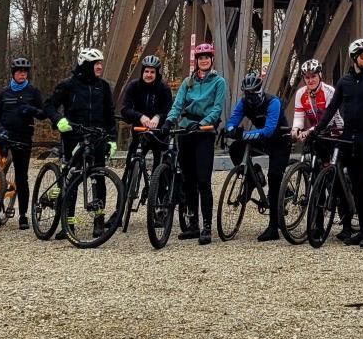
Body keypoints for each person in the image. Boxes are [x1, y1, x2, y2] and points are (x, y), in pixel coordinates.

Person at [312, 38, 363, 249]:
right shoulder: (344, 82)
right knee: (354, 184)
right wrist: (317, 130)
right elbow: (332, 108)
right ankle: (360, 230)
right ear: (354, 58)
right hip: (348, 137)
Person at [44, 46, 118, 238]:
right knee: (72, 178)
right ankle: (68, 223)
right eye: (96, 64)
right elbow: (49, 105)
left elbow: (110, 115)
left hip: (98, 137)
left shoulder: (103, 87)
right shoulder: (68, 85)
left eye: (101, 63)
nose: (100, 67)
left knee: (98, 178)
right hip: (73, 136)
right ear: (85, 65)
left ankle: (99, 221)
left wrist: (112, 139)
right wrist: (58, 120)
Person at [167, 43, 227, 245]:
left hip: (204, 132)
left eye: (207, 58)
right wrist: (169, 120)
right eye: (200, 58)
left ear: (211, 60)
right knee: (188, 180)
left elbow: (217, 108)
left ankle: (207, 227)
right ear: (196, 61)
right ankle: (193, 224)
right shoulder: (188, 82)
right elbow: (178, 104)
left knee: (203, 180)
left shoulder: (218, 82)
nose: (203, 61)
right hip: (186, 129)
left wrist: (202, 123)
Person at [224, 69, 291, 241]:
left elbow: (268, 130)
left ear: (260, 90)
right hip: (262, 140)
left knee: (275, 177)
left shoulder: (272, 102)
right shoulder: (244, 102)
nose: (250, 96)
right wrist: (231, 130)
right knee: (235, 149)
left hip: (279, 140)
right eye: (247, 93)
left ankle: (273, 227)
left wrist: (243, 134)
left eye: (254, 92)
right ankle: (255, 177)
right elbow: (232, 121)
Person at [0, 54, 44, 230]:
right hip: (5, 135)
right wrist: (1, 131)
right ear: (13, 73)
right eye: (19, 72)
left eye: (25, 72)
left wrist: (32, 110)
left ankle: (23, 215)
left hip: (23, 137)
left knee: (22, 176)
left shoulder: (33, 92)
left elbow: (43, 113)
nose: (22, 75)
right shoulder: (4, 93)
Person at [118, 53, 173, 181]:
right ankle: (126, 195)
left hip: (159, 132)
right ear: (142, 71)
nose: (149, 75)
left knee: (159, 168)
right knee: (129, 166)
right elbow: (125, 109)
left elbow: (169, 110)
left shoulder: (164, 88)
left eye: (152, 72)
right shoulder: (134, 86)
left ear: (157, 73)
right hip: (139, 131)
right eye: (146, 71)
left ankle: (157, 194)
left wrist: (158, 117)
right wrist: (140, 116)